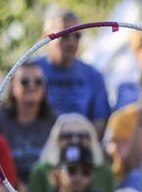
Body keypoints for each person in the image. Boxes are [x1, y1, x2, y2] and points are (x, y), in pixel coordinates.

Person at [34, 9, 111, 138]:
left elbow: (100, 122)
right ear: (46, 37)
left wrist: (79, 143)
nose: (71, 42)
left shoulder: (93, 75)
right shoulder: (30, 71)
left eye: (77, 36)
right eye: (64, 35)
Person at [25, 114, 115, 192]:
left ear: (91, 139)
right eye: (67, 135)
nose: (75, 140)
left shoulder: (105, 171)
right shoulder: (41, 170)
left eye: (82, 135)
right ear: (56, 139)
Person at [0, 62, 57, 186]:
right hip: (8, 188)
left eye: (38, 81)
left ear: (44, 88)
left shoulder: (55, 121)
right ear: (13, 88)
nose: (32, 86)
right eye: (24, 82)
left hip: (45, 188)